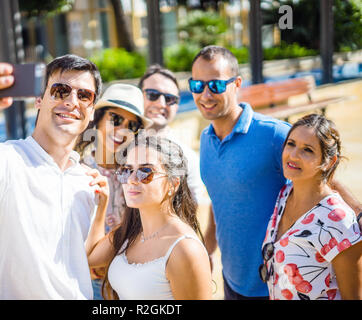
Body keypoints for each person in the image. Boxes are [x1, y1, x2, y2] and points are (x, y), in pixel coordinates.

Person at [192, 45, 362, 299]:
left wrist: (358, 213)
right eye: (197, 85)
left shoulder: (273, 134)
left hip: (276, 285)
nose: (205, 94)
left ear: (237, 83)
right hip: (232, 282)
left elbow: (323, 175)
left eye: (215, 85)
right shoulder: (206, 140)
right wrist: (207, 248)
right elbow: (219, 200)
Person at [0, 53, 108, 299]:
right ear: (39, 99)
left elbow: (82, 259)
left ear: (91, 111)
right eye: (60, 90)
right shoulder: (6, 160)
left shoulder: (86, 181)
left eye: (84, 95)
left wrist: (102, 210)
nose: (71, 101)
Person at [85, 136, 214, 300]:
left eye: (145, 172)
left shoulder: (185, 249)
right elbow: (90, 257)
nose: (131, 180)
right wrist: (101, 205)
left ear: (173, 184)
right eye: (127, 171)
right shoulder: (130, 231)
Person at [260, 114, 361, 300]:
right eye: (291, 144)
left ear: (328, 162)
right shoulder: (284, 195)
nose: (293, 155)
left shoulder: (338, 220)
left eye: (307, 150)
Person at [75, 83, 152, 299]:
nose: (123, 130)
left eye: (132, 125)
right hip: (85, 282)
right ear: (97, 119)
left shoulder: (141, 175)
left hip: (131, 281)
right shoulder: (74, 171)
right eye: (115, 119)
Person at [138, 65, 205, 204]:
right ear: (138, 96)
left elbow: (194, 210)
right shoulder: (118, 146)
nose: (161, 103)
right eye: (152, 95)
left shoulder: (188, 159)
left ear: (177, 105)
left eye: (169, 98)